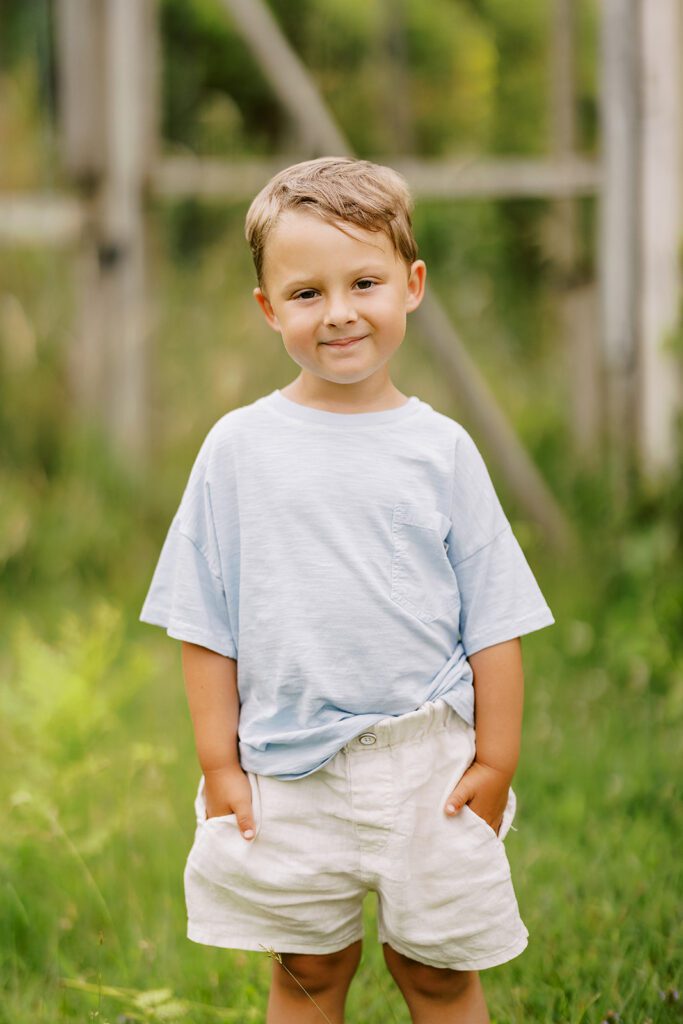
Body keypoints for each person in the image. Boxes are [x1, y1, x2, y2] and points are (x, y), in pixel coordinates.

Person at [139, 156, 555, 1024]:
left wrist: (495, 761)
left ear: (411, 286)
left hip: (428, 759)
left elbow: (496, 622)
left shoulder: (439, 450)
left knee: (436, 971)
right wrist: (219, 764)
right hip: (286, 763)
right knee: (305, 970)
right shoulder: (238, 449)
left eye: (363, 282)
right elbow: (203, 624)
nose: (337, 313)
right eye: (304, 294)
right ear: (266, 309)